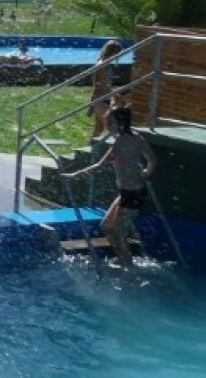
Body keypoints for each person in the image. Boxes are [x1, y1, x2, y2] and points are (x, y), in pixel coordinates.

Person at [62, 106, 157, 265]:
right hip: (129, 192)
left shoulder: (120, 142)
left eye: (109, 121)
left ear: (118, 123)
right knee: (106, 226)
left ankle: (128, 266)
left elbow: (99, 166)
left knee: (119, 233)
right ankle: (124, 258)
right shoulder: (137, 138)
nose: (106, 124)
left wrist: (74, 175)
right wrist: (146, 172)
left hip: (133, 195)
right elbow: (153, 161)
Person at [90, 39, 123, 139]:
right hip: (100, 98)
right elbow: (98, 83)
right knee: (111, 125)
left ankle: (90, 151)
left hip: (104, 97)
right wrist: (113, 93)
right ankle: (115, 151)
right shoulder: (102, 64)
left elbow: (105, 83)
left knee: (99, 127)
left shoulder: (106, 64)